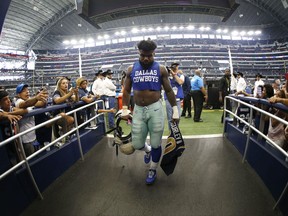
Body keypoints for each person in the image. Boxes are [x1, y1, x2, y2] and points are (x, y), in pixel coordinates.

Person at [121, 39, 179, 185]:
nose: (146, 58)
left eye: (149, 55)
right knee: (138, 143)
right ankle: (146, 151)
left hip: (155, 109)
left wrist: (175, 109)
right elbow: (127, 90)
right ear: (138, 53)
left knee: (156, 143)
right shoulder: (131, 69)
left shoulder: (161, 69)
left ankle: (153, 168)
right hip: (138, 110)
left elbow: (169, 90)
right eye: (143, 55)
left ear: (154, 53)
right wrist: (125, 108)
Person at [14, 84, 48, 156]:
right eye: (24, 91)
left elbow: (40, 104)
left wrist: (44, 98)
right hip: (26, 139)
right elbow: (25, 104)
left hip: (33, 135)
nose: (27, 92)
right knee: (31, 159)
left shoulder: (29, 101)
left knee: (36, 156)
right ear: (18, 94)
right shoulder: (18, 101)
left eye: (27, 90)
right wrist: (36, 98)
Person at [164, 62, 184, 129]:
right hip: (168, 98)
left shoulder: (180, 75)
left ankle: (176, 129)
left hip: (177, 99)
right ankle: (171, 131)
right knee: (170, 116)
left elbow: (180, 82)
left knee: (177, 116)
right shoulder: (167, 77)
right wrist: (168, 74)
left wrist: (174, 75)